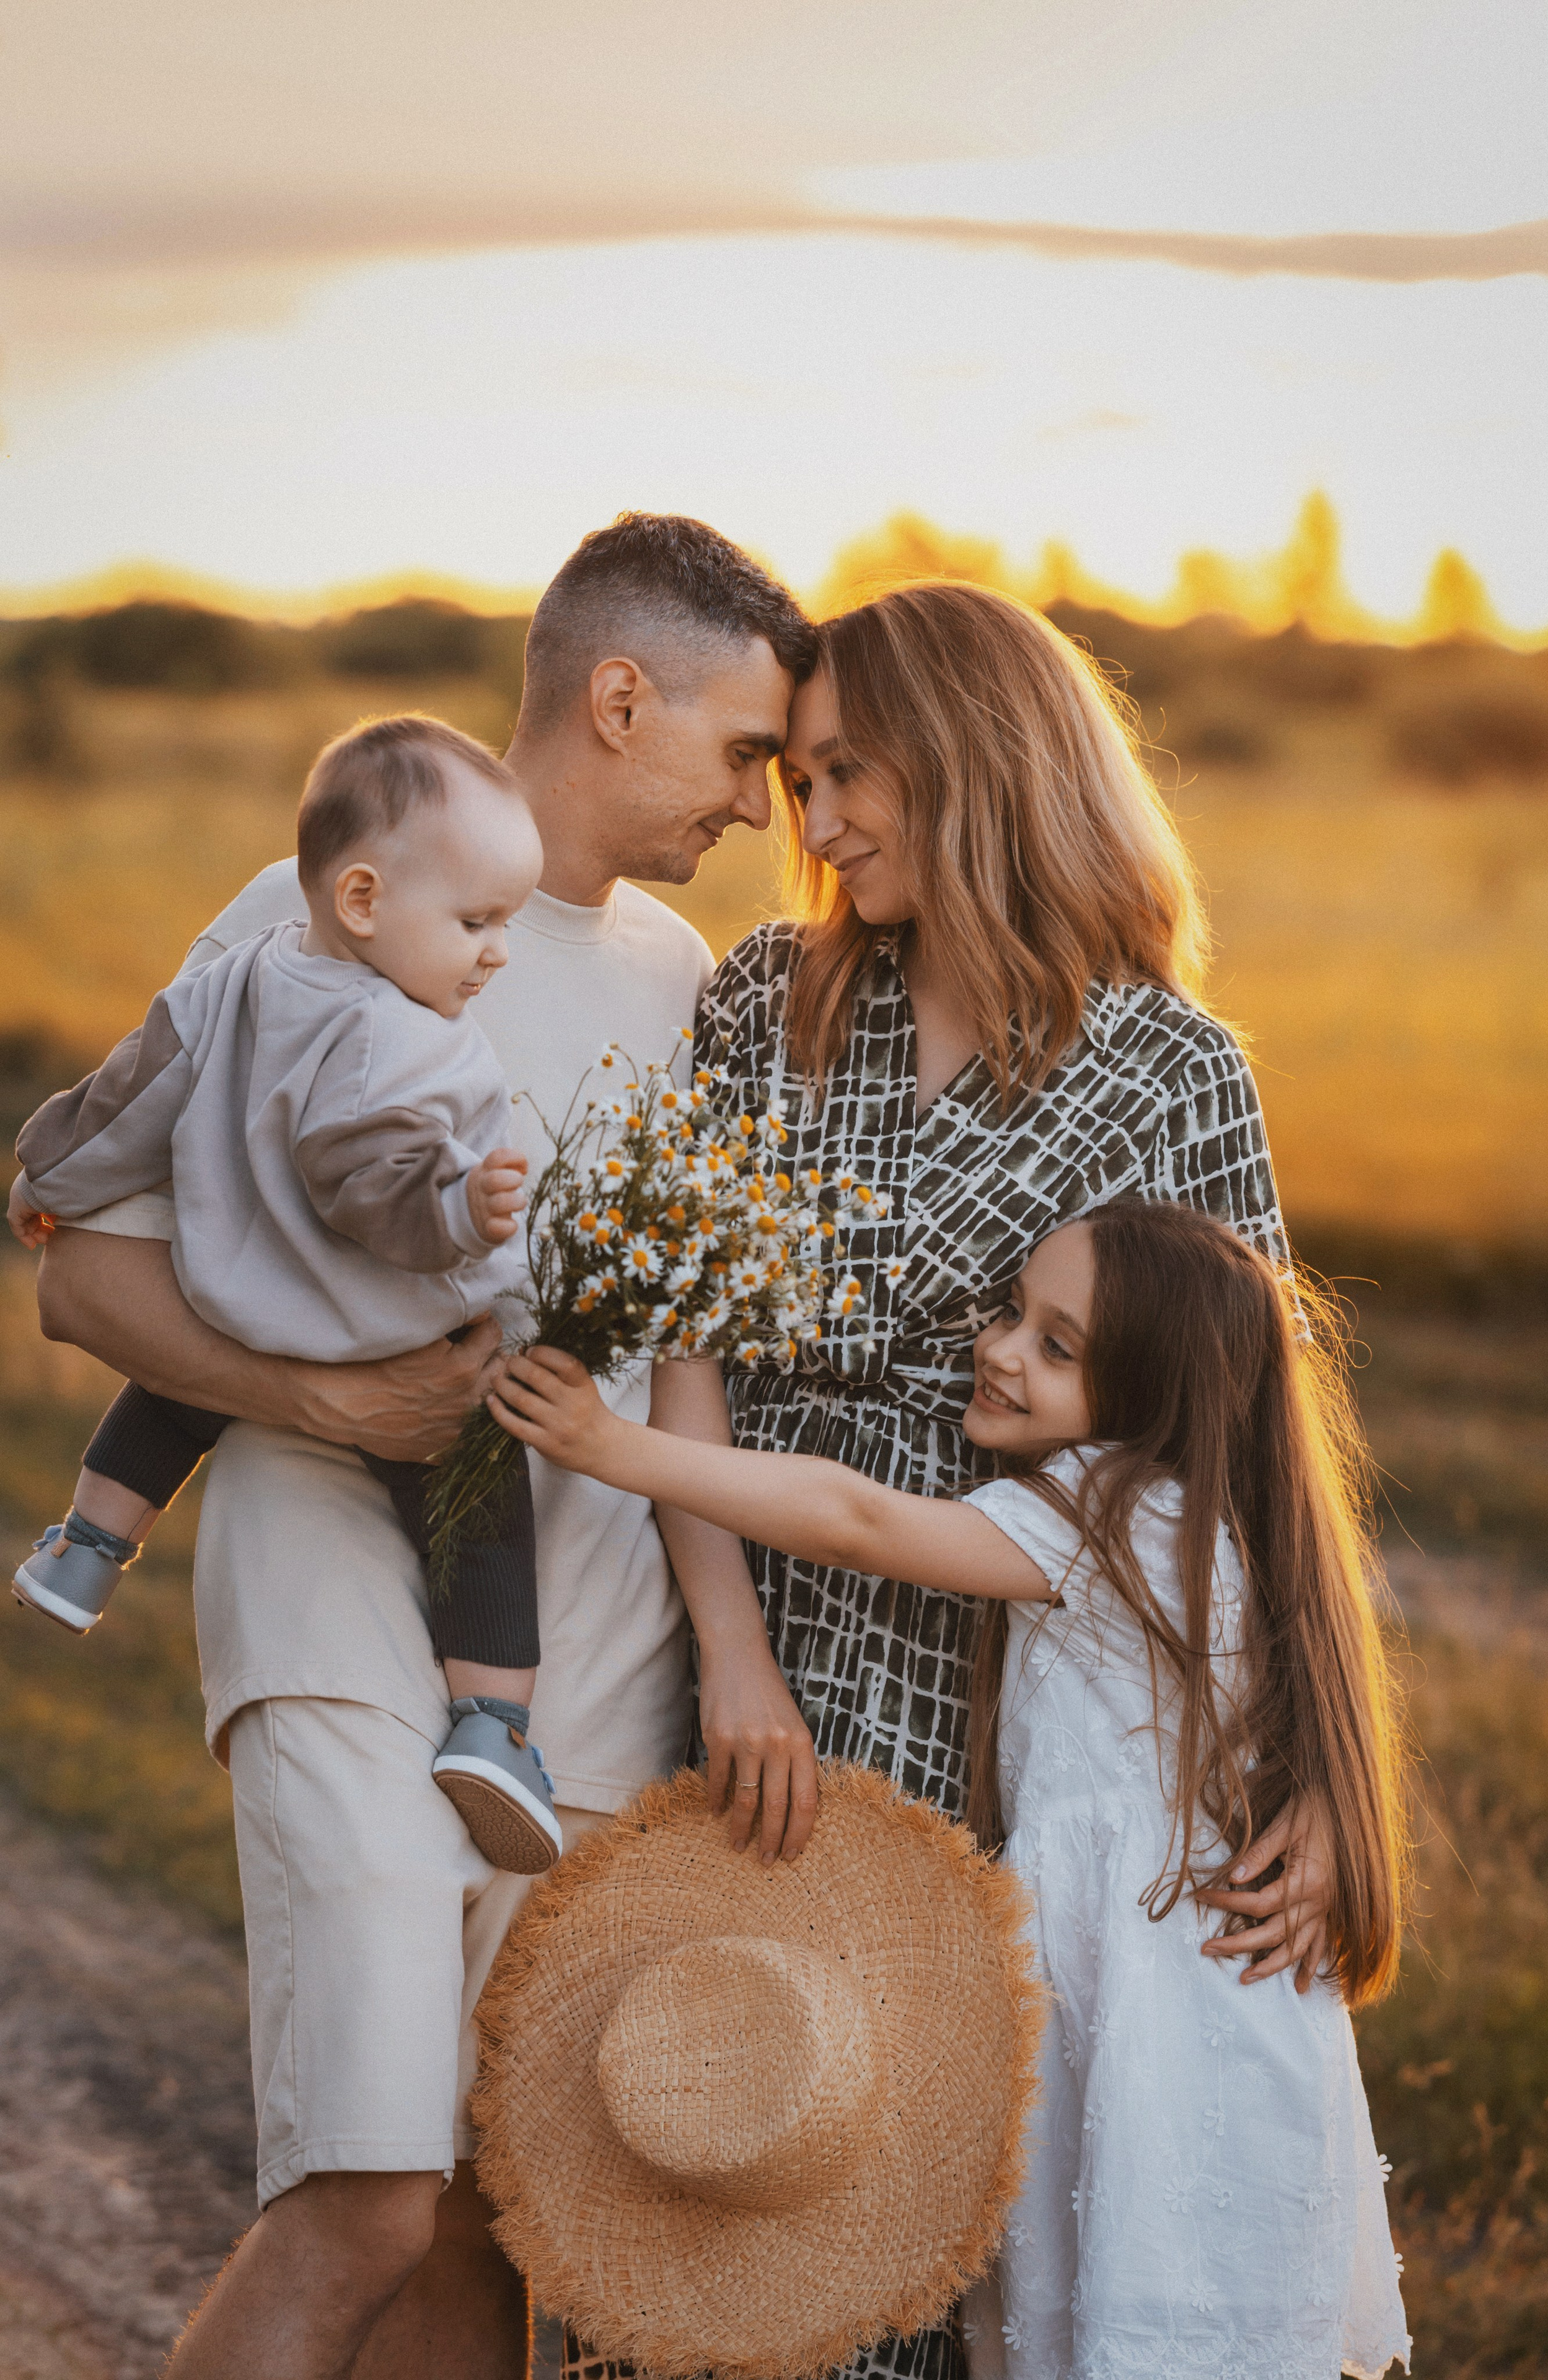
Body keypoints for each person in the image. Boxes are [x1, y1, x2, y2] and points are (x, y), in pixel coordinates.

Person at [30, 513, 819, 2380]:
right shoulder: (327, 911)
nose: (754, 805)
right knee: (367, 2193)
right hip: (335, 1608)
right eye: (743, 755)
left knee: (490, 2203)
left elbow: (683, 1344)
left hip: (589, 1653)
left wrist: (731, 1648)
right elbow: (79, 1283)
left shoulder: (681, 976)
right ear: (621, 698)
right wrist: (329, 1403)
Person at [617, 579, 1342, 2380]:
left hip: (1023, 1699)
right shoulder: (767, 1001)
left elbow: (1252, 1472)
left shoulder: (1175, 1072)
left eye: (854, 770)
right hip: (760, 1635)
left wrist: (1320, 1786)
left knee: (960, 2232)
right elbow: (684, 1331)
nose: (820, 819)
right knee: (719, 2151)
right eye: (798, 778)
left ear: (981, 758)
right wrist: (729, 1643)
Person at [487, 1198, 1414, 2380]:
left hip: (1153, 2018)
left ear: (1151, 1393)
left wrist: (613, 1448)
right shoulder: (1217, 1528)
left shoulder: (1120, 1515)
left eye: (1057, 1345)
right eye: (1015, 1312)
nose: (1001, 1348)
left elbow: (859, 1519)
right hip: (1186, 2006)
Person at [12, 715, 563, 1873]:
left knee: (172, 1393)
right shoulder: (407, 1039)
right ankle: (493, 1722)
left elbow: (129, 1095)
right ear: (363, 899)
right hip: (386, 1331)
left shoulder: (240, 975)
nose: (497, 953)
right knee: (480, 1500)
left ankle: (87, 1546)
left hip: (237, 1297)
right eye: (477, 922)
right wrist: (464, 1214)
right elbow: (367, 1176)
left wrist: (45, 1180)